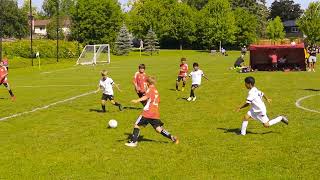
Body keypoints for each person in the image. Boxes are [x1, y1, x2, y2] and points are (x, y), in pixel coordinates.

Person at [125, 76, 179, 147]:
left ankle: (134, 142)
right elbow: (158, 100)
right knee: (158, 129)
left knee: (137, 125)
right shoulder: (156, 90)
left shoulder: (149, 89)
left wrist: (137, 100)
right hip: (155, 112)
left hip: (148, 112)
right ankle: (172, 137)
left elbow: (145, 97)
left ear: (147, 83)